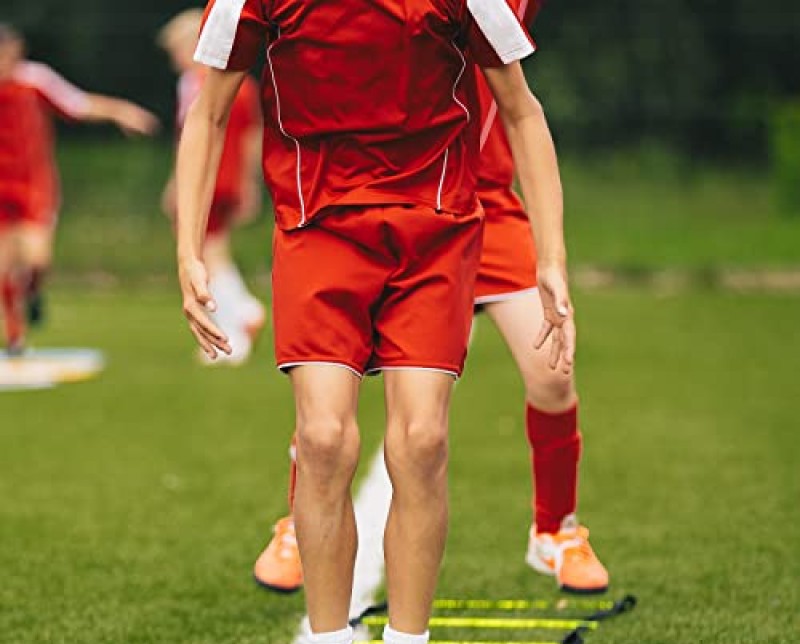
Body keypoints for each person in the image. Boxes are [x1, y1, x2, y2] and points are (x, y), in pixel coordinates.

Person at [178, 0, 574, 644]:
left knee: (420, 441)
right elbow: (208, 113)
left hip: (434, 229)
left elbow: (521, 112)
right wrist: (189, 250)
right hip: (316, 227)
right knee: (323, 440)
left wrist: (550, 256)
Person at [254, 0, 609, 596]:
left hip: (486, 204)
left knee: (553, 374)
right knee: (333, 396)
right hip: (404, 201)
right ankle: (298, 521)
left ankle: (556, 530)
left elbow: (523, 112)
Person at [0, 23, 158, 354]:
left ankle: (33, 292)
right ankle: (16, 337)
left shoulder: (34, 80)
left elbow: (78, 104)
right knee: (3, 267)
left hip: (33, 186)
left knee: (35, 259)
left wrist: (120, 111)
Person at [159, 10, 265, 365]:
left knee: (201, 254)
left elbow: (190, 136)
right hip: (231, 177)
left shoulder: (195, 84)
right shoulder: (244, 83)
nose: (174, 57)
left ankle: (235, 325)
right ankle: (242, 311)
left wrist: (177, 184)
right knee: (217, 250)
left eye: (176, 48)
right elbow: (253, 135)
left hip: (206, 178)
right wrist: (250, 182)